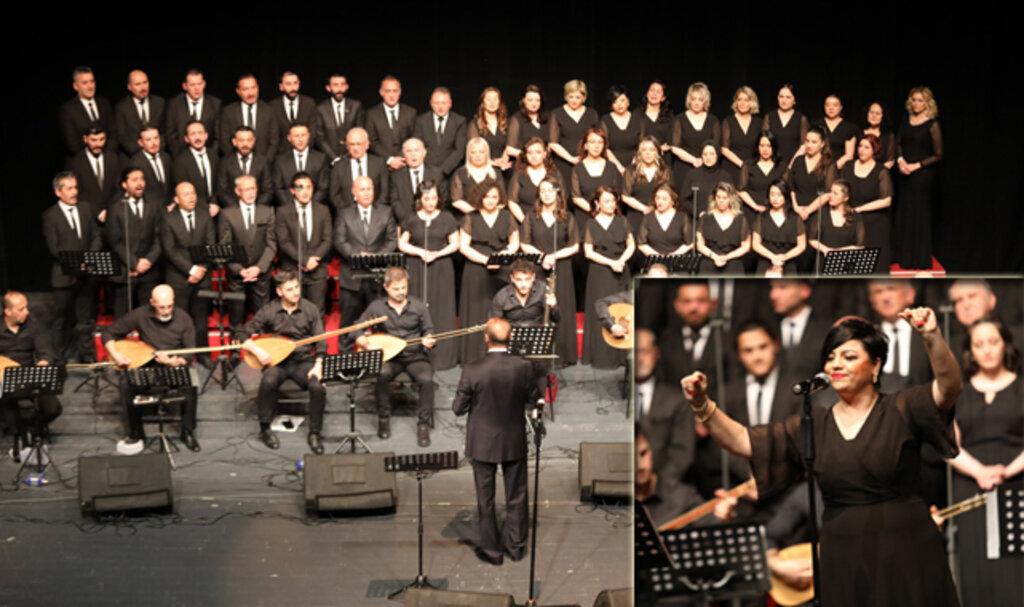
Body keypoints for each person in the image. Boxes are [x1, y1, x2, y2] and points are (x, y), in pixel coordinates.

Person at [681, 310, 963, 607]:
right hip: (843, 556)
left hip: (906, 549)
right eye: (830, 357)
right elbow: (742, 441)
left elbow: (949, 387)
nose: (836, 364)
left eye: (849, 356)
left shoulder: (901, 408)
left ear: (875, 365)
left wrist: (931, 337)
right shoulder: (814, 423)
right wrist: (702, 405)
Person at [452, 317, 541, 566]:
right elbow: (532, 398)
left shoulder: (472, 369)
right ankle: (517, 547)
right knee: (517, 495)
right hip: (513, 439)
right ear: (511, 337)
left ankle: (492, 551)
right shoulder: (524, 367)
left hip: (482, 442)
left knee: (486, 500)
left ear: (486, 338)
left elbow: (458, 409)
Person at [949, 319, 1023, 607]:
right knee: (976, 566)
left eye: (993, 342)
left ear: (1005, 344)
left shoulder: (1021, 388)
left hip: (1017, 484)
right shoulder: (959, 393)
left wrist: (1007, 471)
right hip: (971, 486)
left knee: (1015, 571)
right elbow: (949, 446)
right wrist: (978, 471)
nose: (987, 350)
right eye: (979, 345)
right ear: (970, 351)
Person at [103, 285, 199, 452]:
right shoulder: (140, 314)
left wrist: (175, 362)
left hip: (174, 364)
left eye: (169, 306)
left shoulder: (184, 319)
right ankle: (135, 432)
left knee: (191, 384)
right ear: (152, 302)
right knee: (126, 383)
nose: (166, 311)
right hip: (147, 362)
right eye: (161, 307)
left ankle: (187, 431)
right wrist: (116, 355)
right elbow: (109, 333)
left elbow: (190, 352)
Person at [238, 271, 326, 454]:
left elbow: (321, 341)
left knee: (318, 387)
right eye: (290, 289)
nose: (296, 292)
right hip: (277, 362)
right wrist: (258, 351)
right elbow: (242, 333)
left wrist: (318, 365)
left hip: (303, 361)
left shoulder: (310, 309)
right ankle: (265, 428)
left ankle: (315, 433)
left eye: (297, 287)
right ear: (279, 292)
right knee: (268, 381)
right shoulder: (269, 310)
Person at [354, 267, 436, 446]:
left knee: (427, 380)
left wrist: (428, 339)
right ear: (386, 287)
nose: (401, 292)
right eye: (396, 288)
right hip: (389, 357)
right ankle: (384, 418)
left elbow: (428, 329)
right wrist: (366, 344)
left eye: (404, 288)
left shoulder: (418, 306)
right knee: (381, 374)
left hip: (414, 355)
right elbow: (356, 329)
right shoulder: (376, 307)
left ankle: (423, 424)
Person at [397, 180, 459, 369]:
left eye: (433, 198)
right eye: (426, 199)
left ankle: (442, 358)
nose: (430, 202)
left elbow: (455, 243)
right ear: (420, 199)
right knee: (417, 305)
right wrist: (419, 252)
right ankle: (416, 357)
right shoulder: (411, 218)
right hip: (417, 265)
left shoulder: (447, 217)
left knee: (442, 307)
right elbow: (402, 243)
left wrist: (437, 254)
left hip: (441, 266)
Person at [518, 176, 579, 365]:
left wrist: (554, 256)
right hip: (538, 266)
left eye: (550, 190)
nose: (546, 194)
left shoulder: (567, 217)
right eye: (542, 191)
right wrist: (543, 257)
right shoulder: (531, 216)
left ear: (558, 193)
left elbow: (575, 246)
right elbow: (524, 243)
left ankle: (563, 355)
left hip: (562, 267)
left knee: (561, 307)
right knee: (537, 307)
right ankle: (536, 354)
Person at [43, 172, 102, 363]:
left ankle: (87, 359)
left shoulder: (85, 208)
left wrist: (88, 259)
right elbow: (54, 248)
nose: (74, 192)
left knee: (85, 320)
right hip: (63, 277)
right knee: (60, 320)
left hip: (85, 276)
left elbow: (96, 236)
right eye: (69, 188)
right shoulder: (50, 216)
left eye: (75, 187)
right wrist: (78, 262)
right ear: (58, 192)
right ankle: (59, 361)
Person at [458, 180, 519, 363]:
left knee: (501, 310)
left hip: (502, 267)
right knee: (476, 311)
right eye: (487, 197)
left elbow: (514, 243)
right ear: (480, 198)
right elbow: (463, 246)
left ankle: (503, 355)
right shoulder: (471, 217)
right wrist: (486, 260)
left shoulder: (507, 216)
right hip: (476, 267)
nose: (491, 200)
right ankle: (475, 356)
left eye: (494, 197)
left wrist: (500, 258)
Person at [160, 181, 216, 366]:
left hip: (202, 276)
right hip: (179, 277)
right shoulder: (168, 219)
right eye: (186, 194)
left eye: (193, 193)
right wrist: (190, 270)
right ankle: (182, 357)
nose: (191, 197)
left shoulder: (204, 215)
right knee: (179, 320)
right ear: (176, 199)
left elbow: (210, 245)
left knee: (201, 319)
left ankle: (204, 355)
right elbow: (170, 250)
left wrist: (200, 269)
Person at [1, 292, 62, 453]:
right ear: (8, 312)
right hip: (4, 378)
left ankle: (31, 427)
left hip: (29, 375)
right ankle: (17, 436)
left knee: (53, 409)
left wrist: (43, 363)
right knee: (6, 400)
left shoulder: (33, 325)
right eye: (21, 309)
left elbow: (46, 351)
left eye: (26, 307)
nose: (26, 312)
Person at [333, 176, 398, 323]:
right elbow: (339, 241)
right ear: (354, 192)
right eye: (362, 189)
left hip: (377, 278)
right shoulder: (344, 213)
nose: (366, 193)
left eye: (369, 189)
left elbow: (392, 240)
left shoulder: (386, 212)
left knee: (380, 324)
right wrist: (358, 256)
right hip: (351, 278)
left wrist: (375, 257)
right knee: (348, 324)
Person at [581, 186, 634, 369]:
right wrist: (611, 263)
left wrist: (621, 261)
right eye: (606, 201)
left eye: (613, 201)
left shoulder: (622, 221)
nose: (611, 205)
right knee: (601, 310)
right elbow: (588, 252)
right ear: (597, 203)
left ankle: (622, 355)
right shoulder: (591, 224)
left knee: (622, 310)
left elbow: (631, 245)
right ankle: (602, 357)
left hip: (621, 269)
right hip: (600, 272)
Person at [490, 258, 559, 393]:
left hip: (536, 339)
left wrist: (554, 306)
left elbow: (557, 318)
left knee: (540, 366)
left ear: (533, 277)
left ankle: (538, 400)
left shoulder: (542, 290)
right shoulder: (501, 296)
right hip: (511, 340)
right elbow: (495, 324)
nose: (523, 284)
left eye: (527, 279)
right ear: (512, 278)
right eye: (519, 280)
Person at [634, 328, 694, 484]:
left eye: (645, 352)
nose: (639, 358)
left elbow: (683, 452)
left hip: (665, 488)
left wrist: (657, 485)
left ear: (656, 353)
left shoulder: (676, 400)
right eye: (634, 352)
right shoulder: (615, 398)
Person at [893, 86, 943, 271]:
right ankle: (902, 255)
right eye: (914, 100)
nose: (916, 104)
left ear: (927, 103)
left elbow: (938, 154)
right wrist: (900, 161)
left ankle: (918, 258)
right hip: (904, 171)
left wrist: (917, 165)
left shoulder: (932, 125)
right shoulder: (906, 120)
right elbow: (898, 143)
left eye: (920, 100)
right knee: (904, 211)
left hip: (922, 174)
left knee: (918, 213)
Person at [218, 175, 277, 326]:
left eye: (253, 189)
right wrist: (239, 270)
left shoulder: (268, 211)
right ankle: (236, 341)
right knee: (236, 316)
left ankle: (263, 340)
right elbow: (225, 246)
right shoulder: (227, 214)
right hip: (237, 273)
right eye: (246, 189)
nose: (251, 193)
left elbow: (271, 244)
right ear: (237, 191)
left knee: (263, 317)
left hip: (261, 272)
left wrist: (259, 268)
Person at [104, 166, 163, 318]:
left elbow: (160, 237)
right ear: (125, 184)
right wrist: (134, 263)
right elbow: (114, 242)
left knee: (148, 319)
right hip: (125, 272)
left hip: (149, 272)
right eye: (135, 180)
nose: (140, 183)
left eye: (142, 179)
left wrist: (148, 261)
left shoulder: (154, 205)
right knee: (123, 319)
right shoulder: (116, 208)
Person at [274, 172, 332, 312]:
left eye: (308, 187)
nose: (305, 192)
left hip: (317, 269)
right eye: (300, 188)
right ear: (292, 190)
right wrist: (304, 260)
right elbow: (284, 242)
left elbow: (328, 239)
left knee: (317, 312)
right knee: (294, 313)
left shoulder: (323, 210)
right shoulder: (283, 211)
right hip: (293, 270)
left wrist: (313, 260)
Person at [840, 134, 893, 271]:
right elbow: (840, 190)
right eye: (860, 146)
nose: (862, 150)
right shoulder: (848, 166)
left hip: (874, 221)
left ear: (874, 150)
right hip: (851, 218)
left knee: (874, 264)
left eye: (867, 147)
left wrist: (860, 209)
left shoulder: (881, 170)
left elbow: (886, 200)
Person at [769, 279, 831, 382]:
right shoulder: (769, 328)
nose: (773, 295)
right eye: (772, 288)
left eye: (783, 287)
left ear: (804, 290)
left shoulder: (826, 329)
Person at [548, 79, 600, 189]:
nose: (574, 100)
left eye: (578, 97)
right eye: (571, 97)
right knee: (563, 192)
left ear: (584, 97)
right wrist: (571, 159)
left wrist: (587, 157)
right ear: (566, 96)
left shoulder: (592, 114)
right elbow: (552, 142)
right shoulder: (557, 113)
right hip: (563, 162)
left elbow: (597, 139)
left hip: (587, 161)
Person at [671, 82, 721, 194]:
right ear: (689, 100)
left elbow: (717, 147)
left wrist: (705, 160)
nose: (697, 103)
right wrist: (694, 160)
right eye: (694, 99)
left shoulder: (713, 120)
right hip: (684, 167)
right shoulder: (680, 119)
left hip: (707, 168)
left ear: (705, 101)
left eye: (700, 99)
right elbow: (674, 147)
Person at [570, 127, 622, 229]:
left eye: (600, 142)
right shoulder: (577, 168)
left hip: (609, 218)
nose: (596, 146)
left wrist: (605, 211)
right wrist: (596, 212)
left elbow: (617, 194)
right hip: (585, 218)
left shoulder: (612, 167)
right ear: (585, 145)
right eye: (592, 142)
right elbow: (576, 197)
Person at [218, 73, 280, 159]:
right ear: (238, 91)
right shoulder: (228, 112)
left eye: (253, 88)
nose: (251, 93)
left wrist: (265, 162)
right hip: (236, 163)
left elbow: (274, 141)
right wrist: (237, 162)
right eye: (245, 89)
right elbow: (225, 141)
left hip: (264, 163)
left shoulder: (269, 110)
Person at [807, 180, 865, 271]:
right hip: (823, 263)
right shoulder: (822, 214)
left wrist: (837, 252)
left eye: (835, 193)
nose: (831, 195)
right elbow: (812, 239)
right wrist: (826, 250)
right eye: (830, 192)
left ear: (845, 198)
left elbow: (860, 246)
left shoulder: (856, 217)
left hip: (846, 264)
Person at [751, 180, 805, 276]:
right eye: (772, 194)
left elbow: (802, 245)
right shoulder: (762, 217)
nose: (775, 198)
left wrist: (784, 257)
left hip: (788, 259)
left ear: (785, 196)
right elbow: (755, 244)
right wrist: (772, 257)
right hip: (766, 257)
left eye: (779, 195)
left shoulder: (796, 218)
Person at [59, 66, 116, 156]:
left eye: (92, 81)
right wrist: (92, 158)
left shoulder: (104, 104)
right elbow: (72, 143)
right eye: (85, 83)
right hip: (82, 159)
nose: (90, 86)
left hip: (107, 157)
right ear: (75, 86)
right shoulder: (68, 109)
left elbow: (113, 134)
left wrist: (106, 156)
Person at [328, 126, 389, 211]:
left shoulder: (379, 164)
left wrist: (375, 212)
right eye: (352, 144)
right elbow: (334, 195)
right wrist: (347, 213)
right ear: (347, 146)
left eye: (359, 144)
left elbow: (384, 192)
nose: (355, 148)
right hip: (347, 215)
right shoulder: (338, 167)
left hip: (376, 213)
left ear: (367, 145)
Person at [622, 136, 673, 235]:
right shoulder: (631, 170)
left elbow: (671, 195)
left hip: (660, 215)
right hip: (636, 216)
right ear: (639, 153)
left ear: (657, 153)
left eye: (652, 150)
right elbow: (625, 196)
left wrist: (656, 208)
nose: (648, 153)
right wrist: (645, 209)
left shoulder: (665, 171)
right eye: (644, 150)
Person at [388, 137, 447, 223]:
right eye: (409, 151)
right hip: (405, 222)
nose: (413, 154)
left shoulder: (437, 173)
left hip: (432, 222)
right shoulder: (396, 176)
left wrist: (431, 218)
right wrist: (408, 221)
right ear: (404, 155)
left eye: (416, 150)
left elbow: (443, 199)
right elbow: (394, 202)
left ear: (424, 153)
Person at [695, 182, 750, 274]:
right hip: (709, 260)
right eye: (718, 197)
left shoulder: (740, 219)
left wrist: (727, 257)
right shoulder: (705, 218)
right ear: (714, 198)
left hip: (733, 261)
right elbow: (700, 245)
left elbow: (746, 246)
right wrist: (714, 256)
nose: (721, 200)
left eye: (725, 198)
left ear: (731, 199)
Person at [165, 69, 222, 158]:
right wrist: (181, 158)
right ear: (185, 86)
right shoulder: (174, 104)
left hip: (208, 157)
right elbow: (171, 136)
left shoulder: (215, 104)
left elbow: (218, 136)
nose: (196, 88)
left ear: (204, 84)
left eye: (199, 84)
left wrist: (211, 156)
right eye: (192, 85)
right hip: (181, 158)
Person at [65, 123, 121, 211]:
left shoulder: (113, 158)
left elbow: (118, 187)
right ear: (85, 139)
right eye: (94, 140)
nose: (98, 144)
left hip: (112, 211)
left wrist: (110, 210)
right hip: (88, 213)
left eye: (102, 139)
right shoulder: (76, 163)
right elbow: (77, 192)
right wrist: (97, 212)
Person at [365, 75, 417, 171]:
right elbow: (372, 141)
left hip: (404, 165)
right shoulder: (372, 114)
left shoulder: (410, 113)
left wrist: (400, 159)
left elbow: (413, 138)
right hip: (381, 166)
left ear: (400, 92)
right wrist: (390, 160)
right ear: (381, 92)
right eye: (388, 91)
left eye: (395, 91)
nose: (391, 95)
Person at [215, 125, 275, 207]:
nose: (245, 144)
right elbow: (222, 192)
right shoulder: (225, 162)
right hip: (233, 210)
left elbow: (268, 191)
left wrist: (255, 208)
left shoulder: (263, 162)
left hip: (258, 209)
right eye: (241, 140)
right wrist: (239, 209)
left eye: (249, 140)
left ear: (254, 141)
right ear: (234, 142)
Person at [414, 87, 467, 179]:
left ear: (450, 103)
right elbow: (418, 146)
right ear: (431, 103)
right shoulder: (421, 121)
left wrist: (442, 170)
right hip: (426, 172)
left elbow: (459, 151)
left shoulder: (459, 121)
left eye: (444, 103)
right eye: (437, 103)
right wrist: (430, 171)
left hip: (450, 173)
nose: (440, 107)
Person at [273, 122, 330, 207]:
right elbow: (278, 188)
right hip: (289, 209)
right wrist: (293, 207)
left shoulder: (321, 159)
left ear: (308, 136)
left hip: (314, 208)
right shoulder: (280, 161)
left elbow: (323, 187)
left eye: (303, 135)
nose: (300, 139)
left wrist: (310, 205)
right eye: (296, 136)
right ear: (289, 138)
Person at [738, 131, 788, 225]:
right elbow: (741, 190)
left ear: (774, 147)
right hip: (751, 211)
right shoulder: (748, 165)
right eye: (762, 145)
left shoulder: (781, 166)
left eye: (769, 146)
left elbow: (786, 191)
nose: (765, 149)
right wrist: (756, 207)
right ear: (757, 147)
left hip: (775, 212)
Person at [449, 137, 508, 216]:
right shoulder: (460, 173)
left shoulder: (496, 174)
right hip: (467, 217)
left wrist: (489, 213)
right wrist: (477, 213)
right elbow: (456, 201)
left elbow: (502, 201)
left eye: (482, 152)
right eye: (473, 152)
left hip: (492, 216)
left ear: (487, 153)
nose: (478, 156)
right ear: (468, 154)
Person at [787, 126, 835, 223]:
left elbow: (828, 192)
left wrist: (808, 211)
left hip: (818, 212)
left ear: (822, 144)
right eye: (807, 141)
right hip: (796, 210)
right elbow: (791, 187)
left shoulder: (828, 164)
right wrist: (796, 207)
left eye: (814, 142)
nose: (809, 145)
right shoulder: (798, 160)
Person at [114, 70, 166, 158]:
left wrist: (157, 150)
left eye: (145, 83)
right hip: (133, 156)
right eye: (138, 84)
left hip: (158, 154)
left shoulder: (160, 103)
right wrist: (142, 155)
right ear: (129, 87)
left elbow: (165, 132)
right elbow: (122, 136)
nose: (143, 88)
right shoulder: (121, 107)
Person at [507, 137, 563, 216]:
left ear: (544, 154)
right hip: (524, 218)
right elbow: (512, 202)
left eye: (538, 152)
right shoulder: (519, 175)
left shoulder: (554, 174)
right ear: (526, 155)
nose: (533, 156)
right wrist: (525, 221)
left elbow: (560, 198)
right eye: (530, 153)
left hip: (550, 219)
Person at [315, 72, 364, 163]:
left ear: (347, 87)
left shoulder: (356, 106)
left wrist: (348, 155)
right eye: (335, 85)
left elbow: (360, 132)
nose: (339, 89)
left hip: (352, 158)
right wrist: (334, 158)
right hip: (329, 161)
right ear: (328, 88)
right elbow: (319, 137)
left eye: (342, 85)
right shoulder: (321, 109)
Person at [172, 120, 219, 213]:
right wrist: (206, 208)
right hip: (195, 211)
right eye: (193, 134)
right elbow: (184, 191)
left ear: (206, 136)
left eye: (200, 133)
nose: (197, 137)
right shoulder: (180, 161)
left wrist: (214, 204)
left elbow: (218, 185)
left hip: (216, 208)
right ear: (187, 138)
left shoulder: (214, 155)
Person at [637, 183, 692, 258]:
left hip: (677, 260)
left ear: (672, 201)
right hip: (654, 261)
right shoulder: (648, 218)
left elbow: (690, 243)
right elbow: (641, 244)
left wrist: (673, 256)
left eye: (664, 199)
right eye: (657, 198)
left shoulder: (682, 217)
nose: (660, 202)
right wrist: (657, 257)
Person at [468, 87, 513, 174]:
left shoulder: (507, 123)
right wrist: (494, 163)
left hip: (506, 168)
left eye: (495, 99)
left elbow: (510, 146)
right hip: (483, 169)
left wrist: (504, 158)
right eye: (488, 99)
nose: (492, 102)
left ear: (499, 102)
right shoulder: (474, 124)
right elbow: (473, 152)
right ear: (483, 102)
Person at [721, 86, 762, 180]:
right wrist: (742, 165)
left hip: (753, 167)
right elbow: (724, 149)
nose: (742, 103)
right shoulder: (728, 121)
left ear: (752, 103)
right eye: (739, 100)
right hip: (732, 167)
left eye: (746, 100)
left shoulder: (759, 122)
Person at [269, 71, 320, 146]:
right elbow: (273, 134)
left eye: (295, 83)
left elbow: (313, 130)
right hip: (282, 151)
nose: (293, 88)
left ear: (299, 84)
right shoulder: (273, 106)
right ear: (281, 87)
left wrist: (303, 149)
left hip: (306, 150)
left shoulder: (309, 104)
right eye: (288, 84)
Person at [762, 84, 809, 165]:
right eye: (781, 96)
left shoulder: (801, 119)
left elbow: (804, 145)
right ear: (777, 98)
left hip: (794, 164)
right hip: (772, 163)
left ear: (794, 100)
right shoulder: (769, 117)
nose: (784, 100)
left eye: (788, 97)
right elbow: (764, 143)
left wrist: (791, 165)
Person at [129, 124, 174, 208]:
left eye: (156, 138)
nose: (153, 143)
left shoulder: (166, 158)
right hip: (150, 210)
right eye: (148, 140)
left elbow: (171, 185)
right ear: (140, 142)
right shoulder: (135, 163)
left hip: (170, 209)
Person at [679, 141, 730, 216]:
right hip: (697, 218)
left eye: (712, 154)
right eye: (705, 154)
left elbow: (731, 200)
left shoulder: (725, 176)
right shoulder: (692, 174)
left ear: (717, 155)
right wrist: (698, 213)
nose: (708, 157)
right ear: (701, 156)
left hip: (720, 217)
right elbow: (684, 200)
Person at [599, 85, 641, 173]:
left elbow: (641, 146)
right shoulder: (605, 120)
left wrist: (631, 168)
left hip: (635, 165)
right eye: (615, 102)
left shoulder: (638, 120)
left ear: (628, 102)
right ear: (611, 105)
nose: (619, 105)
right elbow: (604, 147)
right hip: (611, 165)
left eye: (622, 100)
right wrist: (620, 168)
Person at [505, 84, 548, 159]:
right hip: (523, 162)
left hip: (542, 163)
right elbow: (510, 150)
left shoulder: (546, 119)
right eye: (530, 100)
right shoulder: (516, 119)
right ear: (524, 100)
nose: (534, 103)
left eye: (537, 100)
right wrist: (530, 157)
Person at [816, 94, 858, 170]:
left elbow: (849, 155)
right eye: (828, 105)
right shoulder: (817, 124)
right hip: (818, 167)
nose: (831, 108)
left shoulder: (849, 128)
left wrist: (832, 169)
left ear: (840, 107)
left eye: (835, 105)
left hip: (840, 169)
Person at [638, 80, 674, 159]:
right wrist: (655, 149)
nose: (654, 94)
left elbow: (671, 140)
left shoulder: (669, 115)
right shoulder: (637, 114)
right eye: (652, 90)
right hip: (643, 158)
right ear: (647, 93)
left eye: (658, 92)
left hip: (663, 158)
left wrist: (664, 148)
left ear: (663, 98)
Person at [861, 101, 895, 169]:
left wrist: (875, 173)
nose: (874, 116)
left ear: (883, 116)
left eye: (878, 113)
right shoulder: (858, 133)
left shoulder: (888, 136)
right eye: (872, 112)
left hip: (880, 173)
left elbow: (890, 161)